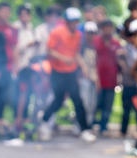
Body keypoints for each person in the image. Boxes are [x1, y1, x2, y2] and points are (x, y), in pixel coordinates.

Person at [38, 7, 96, 143]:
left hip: (71, 72)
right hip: (57, 71)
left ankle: (85, 129)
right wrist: (64, 58)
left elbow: (75, 53)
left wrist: (83, 66)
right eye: (72, 21)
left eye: (76, 21)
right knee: (58, 100)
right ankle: (44, 122)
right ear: (66, 21)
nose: (74, 24)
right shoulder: (57, 32)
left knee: (78, 100)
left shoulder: (78, 35)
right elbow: (49, 51)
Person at [118, 17, 137, 138]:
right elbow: (127, 68)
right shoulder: (124, 50)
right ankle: (123, 130)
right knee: (126, 109)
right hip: (129, 83)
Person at [94, 19, 121, 136]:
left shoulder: (116, 44)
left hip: (111, 80)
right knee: (95, 104)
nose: (108, 30)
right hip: (97, 79)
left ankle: (103, 127)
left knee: (108, 106)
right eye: (106, 27)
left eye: (110, 28)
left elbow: (119, 63)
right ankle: (91, 124)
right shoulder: (96, 42)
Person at [12, 3, 36, 130]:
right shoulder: (15, 28)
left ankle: (25, 119)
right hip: (20, 66)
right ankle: (18, 119)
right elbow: (15, 49)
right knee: (21, 93)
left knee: (29, 93)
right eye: (23, 14)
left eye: (27, 14)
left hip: (30, 65)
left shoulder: (30, 28)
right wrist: (28, 45)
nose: (25, 16)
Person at [79, 21, 99, 129]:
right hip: (84, 78)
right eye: (89, 33)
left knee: (92, 104)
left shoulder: (96, 46)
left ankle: (88, 125)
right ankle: (80, 126)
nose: (91, 35)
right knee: (84, 103)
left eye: (93, 33)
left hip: (94, 78)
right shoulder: (81, 46)